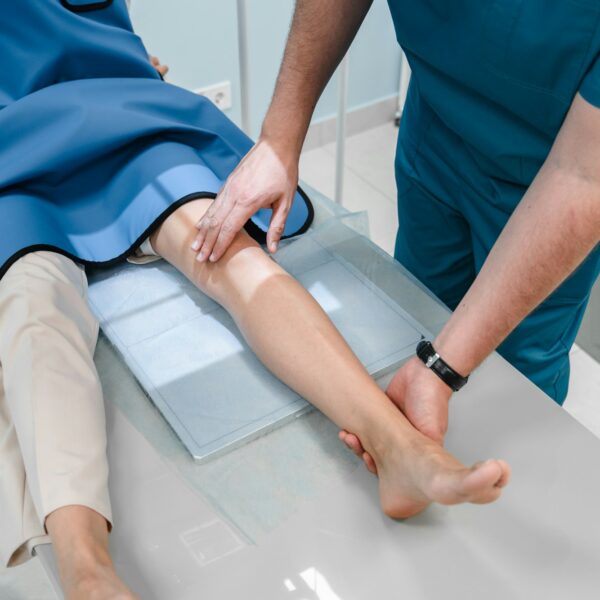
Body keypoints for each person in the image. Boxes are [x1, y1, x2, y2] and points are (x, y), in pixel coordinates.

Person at [0, 2, 510, 599]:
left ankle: (397, 445)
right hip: (11, 147)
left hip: (112, 112)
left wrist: (122, 58)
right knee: (33, 310)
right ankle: (88, 574)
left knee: (229, 254)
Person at [191, 1, 600, 469]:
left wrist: (442, 367)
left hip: (555, 173)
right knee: (410, 315)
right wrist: (279, 137)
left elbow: (584, 175)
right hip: (438, 122)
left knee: (513, 389)